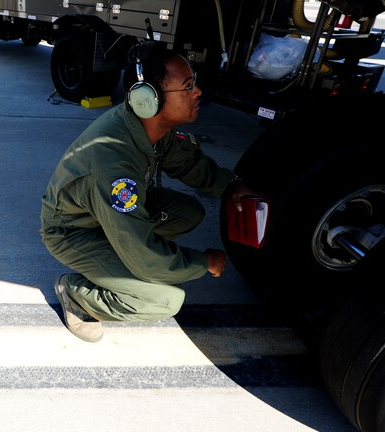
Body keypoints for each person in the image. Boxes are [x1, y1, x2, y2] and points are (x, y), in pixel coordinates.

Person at [40, 40, 256, 343]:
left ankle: (116, 255)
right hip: (73, 232)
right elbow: (146, 257)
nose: (198, 92)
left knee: (189, 212)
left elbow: (187, 163)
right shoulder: (113, 165)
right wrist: (204, 262)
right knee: (163, 300)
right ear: (148, 99)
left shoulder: (150, 127)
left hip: (101, 218)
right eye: (188, 86)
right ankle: (77, 294)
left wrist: (230, 187)